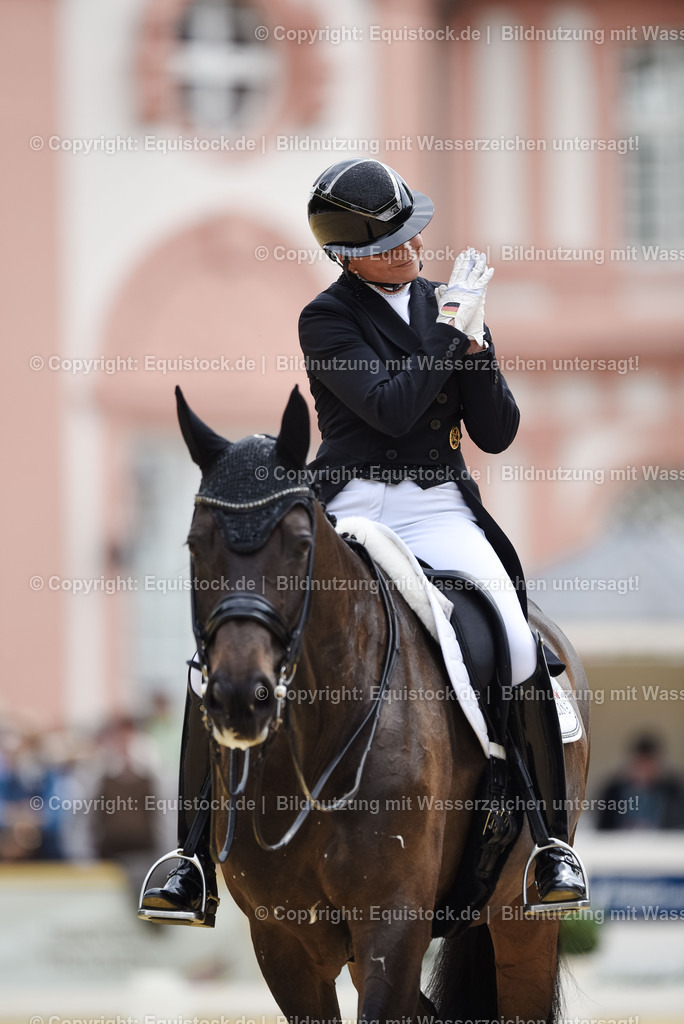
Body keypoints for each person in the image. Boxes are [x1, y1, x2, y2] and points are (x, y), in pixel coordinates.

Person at [139, 159, 588, 926]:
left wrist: (475, 348)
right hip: (350, 501)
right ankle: (191, 858)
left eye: (414, 234)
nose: (414, 248)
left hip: (439, 503)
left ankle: (547, 843)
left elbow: (499, 432)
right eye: (394, 242)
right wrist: (450, 332)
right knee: (227, 643)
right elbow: (387, 408)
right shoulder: (327, 318)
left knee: (515, 639)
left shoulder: (448, 301)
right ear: (349, 255)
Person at [596, 733, 684, 830]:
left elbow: (677, 825)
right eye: (640, 764)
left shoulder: (673, 792)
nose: (644, 770)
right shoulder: (613, 792)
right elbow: (603, 827)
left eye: (648, 764)